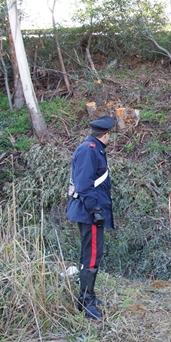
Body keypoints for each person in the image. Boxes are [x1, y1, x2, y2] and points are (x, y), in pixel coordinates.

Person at [66, 115, 116, 320]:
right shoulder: (90, 150)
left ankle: (89, 296)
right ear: (105, 135)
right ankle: (85, 303)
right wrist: (96, 210)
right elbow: (84, 184)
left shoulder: (93, 149)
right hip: (90, 213)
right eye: (109, 135)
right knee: (92, 256)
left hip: (91, 211)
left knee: (90, 255)